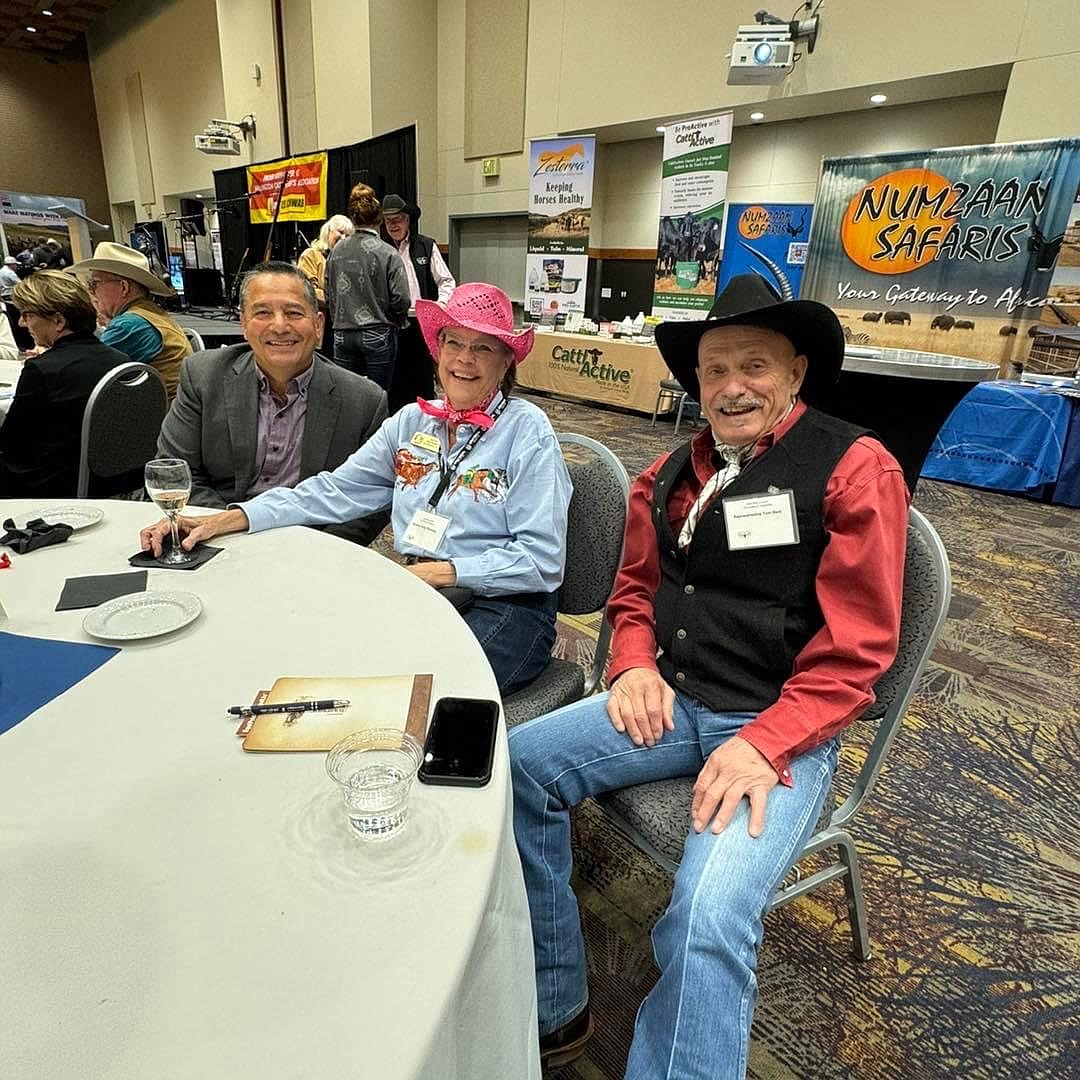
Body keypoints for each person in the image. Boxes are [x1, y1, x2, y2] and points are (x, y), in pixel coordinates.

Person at [508, 274, 910, 1076]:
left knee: (705, 914)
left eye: (753, 366)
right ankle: (557, 1001)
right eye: (714, 369)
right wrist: (630, 665)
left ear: (796, 372)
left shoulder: (854, 468)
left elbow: (861, 646)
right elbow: (632, 594)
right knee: (517, 767)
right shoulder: (668, 475)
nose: (731, 387)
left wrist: (768, 743)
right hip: (673, 699)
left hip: (781, 729)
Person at [141, 282, 572, 696]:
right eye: (454, 343)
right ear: (437, 350)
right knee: (335, 659)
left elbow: (542, 561)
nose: (464, 359)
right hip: (423, 585)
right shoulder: (412, 422)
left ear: (505, 363)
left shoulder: (526, 431)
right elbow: (332, 491)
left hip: (507, 604)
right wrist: (235, 517)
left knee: (411, 692)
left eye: (483, 347)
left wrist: (438, 573)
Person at [156, 262, 389, 545]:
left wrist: (315, 552)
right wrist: (226, 528)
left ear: (318, 325)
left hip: (311, 546)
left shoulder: (364, 401)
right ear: (243, 324)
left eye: (293, 313)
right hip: (216, 537)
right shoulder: (203, 377)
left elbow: (368, 498)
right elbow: (179, 472)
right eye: (263, 313)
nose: (279, 326)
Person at [0, 271, 129, 496]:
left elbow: (13, 445)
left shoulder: (43, 370)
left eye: (27, 314)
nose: (21, 322)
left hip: (54, 486)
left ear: (58, 321)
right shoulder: (122, 361)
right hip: (117, 482)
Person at [68, 241, 191, 402]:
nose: (91, 290)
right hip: (168, 413)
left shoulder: (130, 324)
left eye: (94, 283)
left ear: (124, 287)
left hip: (156, 420)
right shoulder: (148, 313)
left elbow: (80, 374)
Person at [325, 183, 410, 391]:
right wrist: (395, 320)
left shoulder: (335, 252)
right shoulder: (388, 253)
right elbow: (402, 299)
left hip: (342, 334)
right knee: (378, 395)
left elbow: (329, 295)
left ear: (353, 219)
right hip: (378, 333)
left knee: (346, 395)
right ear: (379, 219)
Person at [380, 193, 456, 412]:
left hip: (422, 323)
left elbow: (446, 281)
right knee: (394, 379)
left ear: (407, 220)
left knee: (422, 377)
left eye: (398, 219)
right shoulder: (380, 249)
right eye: (388, 220)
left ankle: (426, 417)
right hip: (392, 323)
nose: (393, 225)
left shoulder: (426, 246)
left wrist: (439, 307)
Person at [296, 214, 354, 354]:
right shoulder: (310, 255)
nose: (343, 238)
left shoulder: (349, 261)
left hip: (345, 328)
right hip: (321, 326)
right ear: (328, 231)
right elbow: (306, 291)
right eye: (340, 232)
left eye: (347, 235)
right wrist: (339, 299)